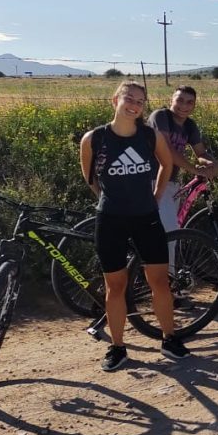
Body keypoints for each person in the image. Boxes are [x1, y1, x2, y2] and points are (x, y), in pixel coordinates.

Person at [79, 81, 190, 371]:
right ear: (114, 99)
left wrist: (156, 196)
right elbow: (89, 176)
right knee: (114, 287)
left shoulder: (150, 136)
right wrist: (106, 200)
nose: (135, 104)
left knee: (160, 282)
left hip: (146, 217)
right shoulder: (94, 138)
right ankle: (118, 347)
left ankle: (169, 338)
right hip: (111, 219)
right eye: (129, 98)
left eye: (141, 101)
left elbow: (167, 165)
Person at [149, 86, 218, 241]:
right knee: (171, 235)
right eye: (179, 100)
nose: (184, 106)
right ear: (171, 100)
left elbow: (200, 153)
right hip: (152, 180)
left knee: (166, 231)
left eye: (189, 102)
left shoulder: (190, 125)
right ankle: (167, 266)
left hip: (172, 183)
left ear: (194, 106)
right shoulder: (160, 116)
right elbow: (166, 150)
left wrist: (212, 164)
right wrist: (195, 170)